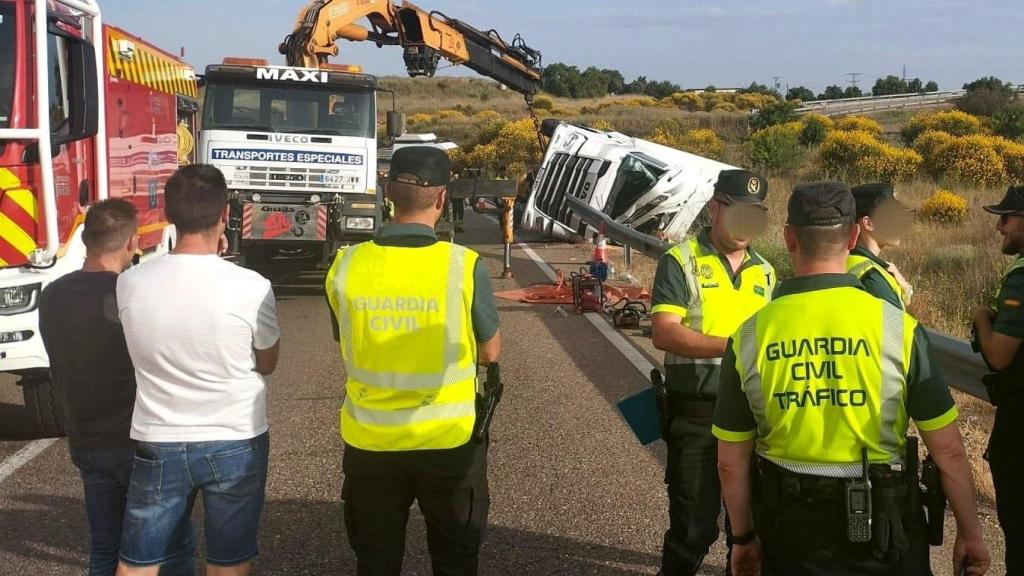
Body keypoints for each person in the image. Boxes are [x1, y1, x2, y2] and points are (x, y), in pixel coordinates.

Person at [713, 181, 990, 576]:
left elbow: (730, 462)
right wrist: (971, 532)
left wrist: (743, 539)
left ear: (789, 237)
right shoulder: (898, 329)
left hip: (789, 529)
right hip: (884, 527)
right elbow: (948, 451)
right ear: (855, 236)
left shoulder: (749, 336)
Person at [325, 146, 501, 576]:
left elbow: (343, 338)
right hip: (448, 441)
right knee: (456, 559)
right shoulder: (463, 266)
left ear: (387, 192)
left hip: (370, 443)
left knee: (377, 561)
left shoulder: (346, 265)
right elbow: (489, 352)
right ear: (443, 198)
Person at [115, 165, 281, 576]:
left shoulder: (130, 282)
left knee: (138, 561)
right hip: (235, 435)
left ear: (168, 213)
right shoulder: (253, 285)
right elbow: (268, 362)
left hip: (159, 437)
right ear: (225, 214)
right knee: (229, 560)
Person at [38, 200, 194, 576]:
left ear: (86, 240)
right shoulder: (130, 293)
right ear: (130, 243)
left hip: (86, 439)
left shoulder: (53, 295)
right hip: (136, 439)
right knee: (171, 546)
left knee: (104, 546)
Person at [650, 169, 776, 576]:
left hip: (755, 420)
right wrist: (735, 347)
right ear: (714, 209)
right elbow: (665, 333)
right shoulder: (680, 260)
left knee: (749, 534)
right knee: (693, 529)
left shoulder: (768, 273)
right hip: (698, 418)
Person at [974, 184, 1024, 574]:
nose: (1000, 228)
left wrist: (980, 318)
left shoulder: (1021, 280)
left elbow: (999, 355)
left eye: (1006, 219)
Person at [847, 183, 915, 308]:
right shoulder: (872, 278)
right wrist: (906, 289)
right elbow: (897, 326)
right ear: (868, 224)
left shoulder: (848, 260)